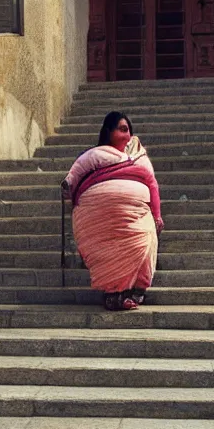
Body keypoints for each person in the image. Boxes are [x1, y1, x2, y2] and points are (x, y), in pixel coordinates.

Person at [61, 111, 163, 311]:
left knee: (145, 241)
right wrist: (67, 184)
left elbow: (152, 183)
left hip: (137, 213)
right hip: (97, 213)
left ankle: (134, 291)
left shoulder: (139, 155)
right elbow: (76, 172)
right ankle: (113, 293)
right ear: (108, 131)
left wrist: (157, 214)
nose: (127, 136)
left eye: (129, 131)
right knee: (108, 252)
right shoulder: (96, 154)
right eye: (122, 129)